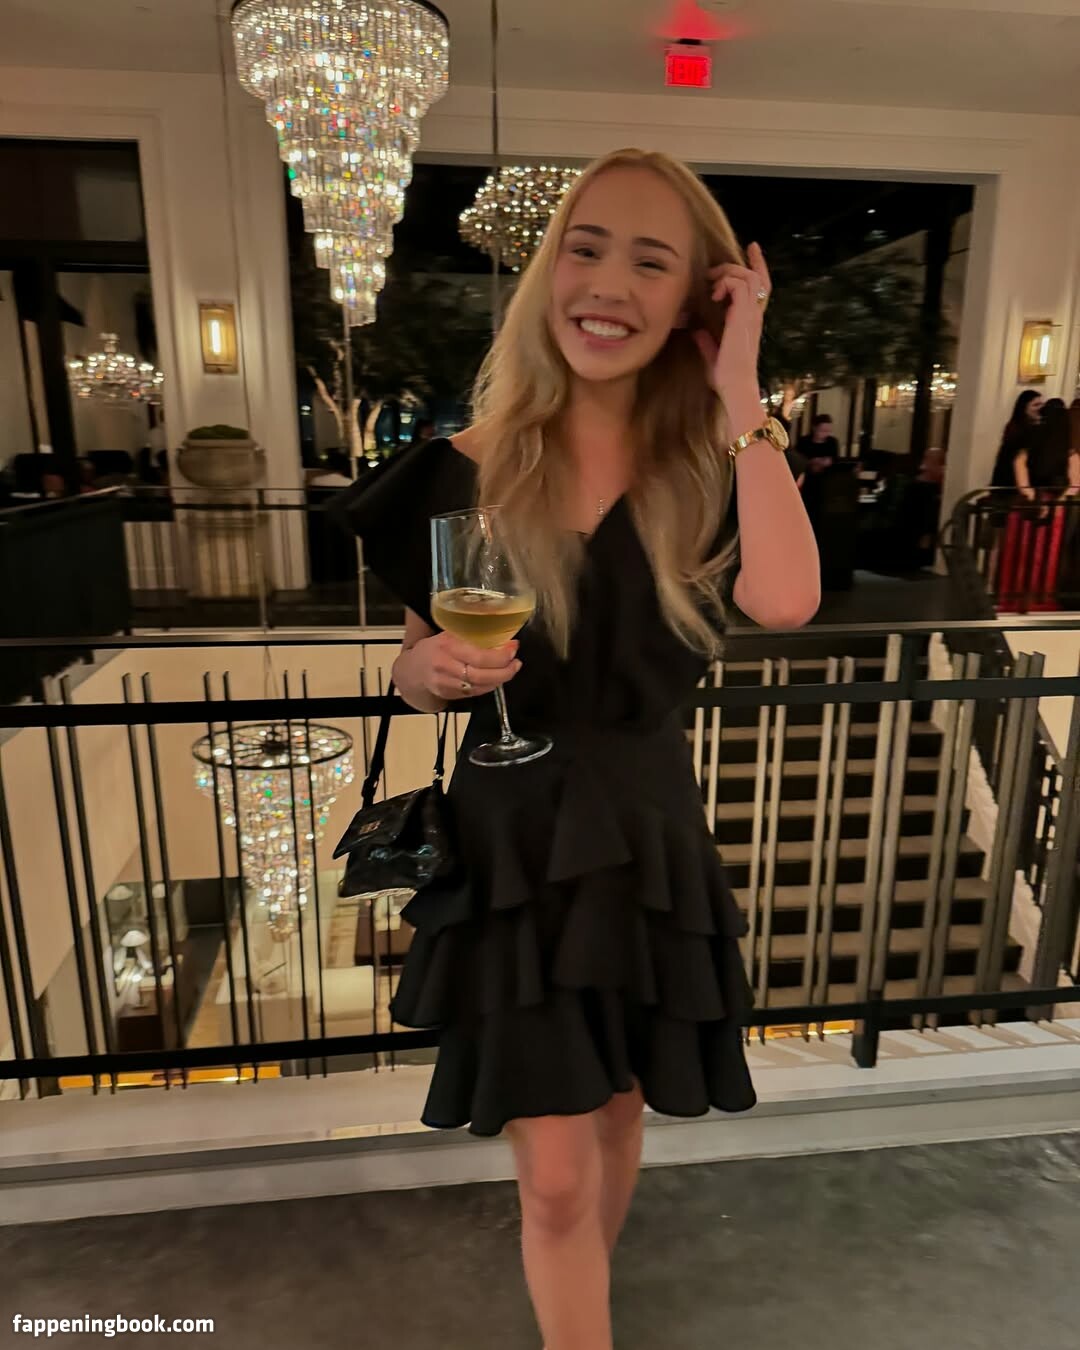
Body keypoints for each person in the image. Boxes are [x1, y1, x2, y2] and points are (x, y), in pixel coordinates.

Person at [332, 147, 820, 1350]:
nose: (606, 283)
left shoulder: (710, 467)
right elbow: (412, 665)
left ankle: (579, 1310)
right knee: (552, 1174)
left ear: (695, 297)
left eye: (651, 261)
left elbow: (787, 600)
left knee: (615, 1117)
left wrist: (741, 390)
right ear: (548, 269)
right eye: (585, 248)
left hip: (647, 836)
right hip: (513, 842)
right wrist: (429, 677)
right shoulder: (462, 467)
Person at [991, 388, 1044, 497]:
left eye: (1041, 405)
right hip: (1011, 485)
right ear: (1023, 408)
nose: (1040, 408)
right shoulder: (1018, 429)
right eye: (1035, 405)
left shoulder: (1032, 427)